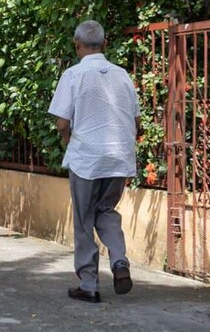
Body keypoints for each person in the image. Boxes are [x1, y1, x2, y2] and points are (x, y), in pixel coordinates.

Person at [48, 20, 142, 303]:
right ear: (105, 44)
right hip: (118, 157)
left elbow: (62, 122)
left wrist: (69, 139)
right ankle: (119, 261)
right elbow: (136, 120)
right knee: (106, 210)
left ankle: (88, 284)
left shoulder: (73, 75)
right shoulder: (122, 76)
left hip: (86, 159)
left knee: (84, 219)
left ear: (77, 45)